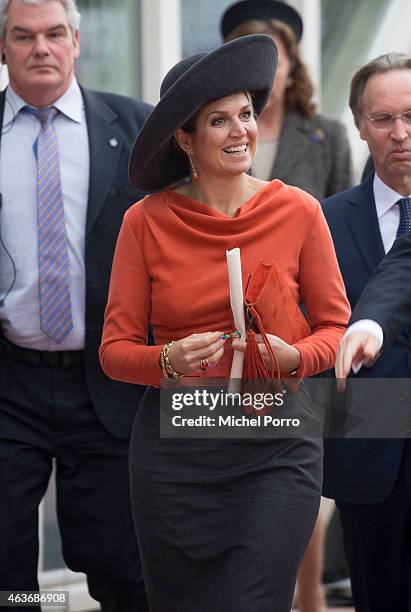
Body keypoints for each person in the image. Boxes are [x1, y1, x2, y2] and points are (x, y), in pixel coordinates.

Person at [99, 34, 350, 611]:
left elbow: (335, 328)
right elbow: (114, 351)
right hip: (175, 458)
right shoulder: (145, 223)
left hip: (276, 448)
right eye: (219, 120)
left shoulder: (299, 211)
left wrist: (298, 357)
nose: (241, 130)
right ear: (184, 139)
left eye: (245, 114)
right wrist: (166, 360)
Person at [0, 0, 151, 610]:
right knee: (6, 569)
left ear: (77, 42)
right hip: (10, 381)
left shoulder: (135, 127)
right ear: (3, 47)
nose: (41, 47)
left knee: (120, 564)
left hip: (108, 381)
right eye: (24, 35)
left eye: (55, 34)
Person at [221, 3, 354, 609]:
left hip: (300, 341)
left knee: (304, 484)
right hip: (224, 340)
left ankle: (311, 602)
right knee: (238, 483)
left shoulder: (324, 134)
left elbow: (342, 235)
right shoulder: (209, 136)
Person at [323, 53, 411, 612]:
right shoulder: (323, 221)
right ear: (359, 126)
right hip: (369, 442)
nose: (401, 133)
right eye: (383, 119)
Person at [220, 0, 353, 200]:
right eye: (250, 64)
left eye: (273, 65)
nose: (262, 77)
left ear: (292, 68)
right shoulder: (209, 135)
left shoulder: (329, 136)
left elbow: (345, 217)